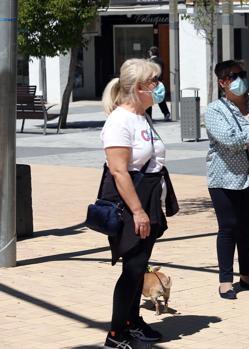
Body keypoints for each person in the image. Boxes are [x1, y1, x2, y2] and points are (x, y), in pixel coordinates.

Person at [100, 58, 178, 349]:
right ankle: (116, 335)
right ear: (137, 88)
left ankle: (132, 321)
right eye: (153, 82)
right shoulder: (119, 121)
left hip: (149, 199)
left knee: (139, 265)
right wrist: (138, 211)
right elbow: (119, 171)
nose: (159, 87)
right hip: (132, 204)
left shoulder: (142, 116)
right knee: (132, 269)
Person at [204, 60, 249, 300]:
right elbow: (231, 141)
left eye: (242, 74)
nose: (239, 80)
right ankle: (225, 281)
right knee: (228, 228)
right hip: (225, 177)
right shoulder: (215, 110)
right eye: (233, 76)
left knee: (248, 227)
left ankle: (246, 277)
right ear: (222, 82)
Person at [145, 46, 171, 121]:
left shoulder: (149, 61)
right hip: (159, 82)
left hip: (151, 82)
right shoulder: (161, 61)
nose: (149, 53)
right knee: (160, 98)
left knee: (149, 99)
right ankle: (166, 113)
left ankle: (149, 116)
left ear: (151, 52)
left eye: (149, 51)